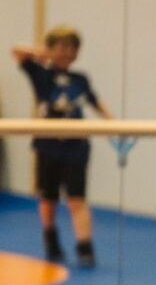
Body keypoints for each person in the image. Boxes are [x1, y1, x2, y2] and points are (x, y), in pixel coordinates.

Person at [12, 26, 113, 267]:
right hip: (48, 144)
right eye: (62, 47)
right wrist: (44, 54)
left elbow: (96, 103)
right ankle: (50, 235)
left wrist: (114, 124)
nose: (67, 52)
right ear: (49, 49)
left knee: (77, 198)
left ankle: (85, 246)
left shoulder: (81, 79)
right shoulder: (41, 74)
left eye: (72, 48)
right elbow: (16, 51)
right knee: (48, 198)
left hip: (76, 145)